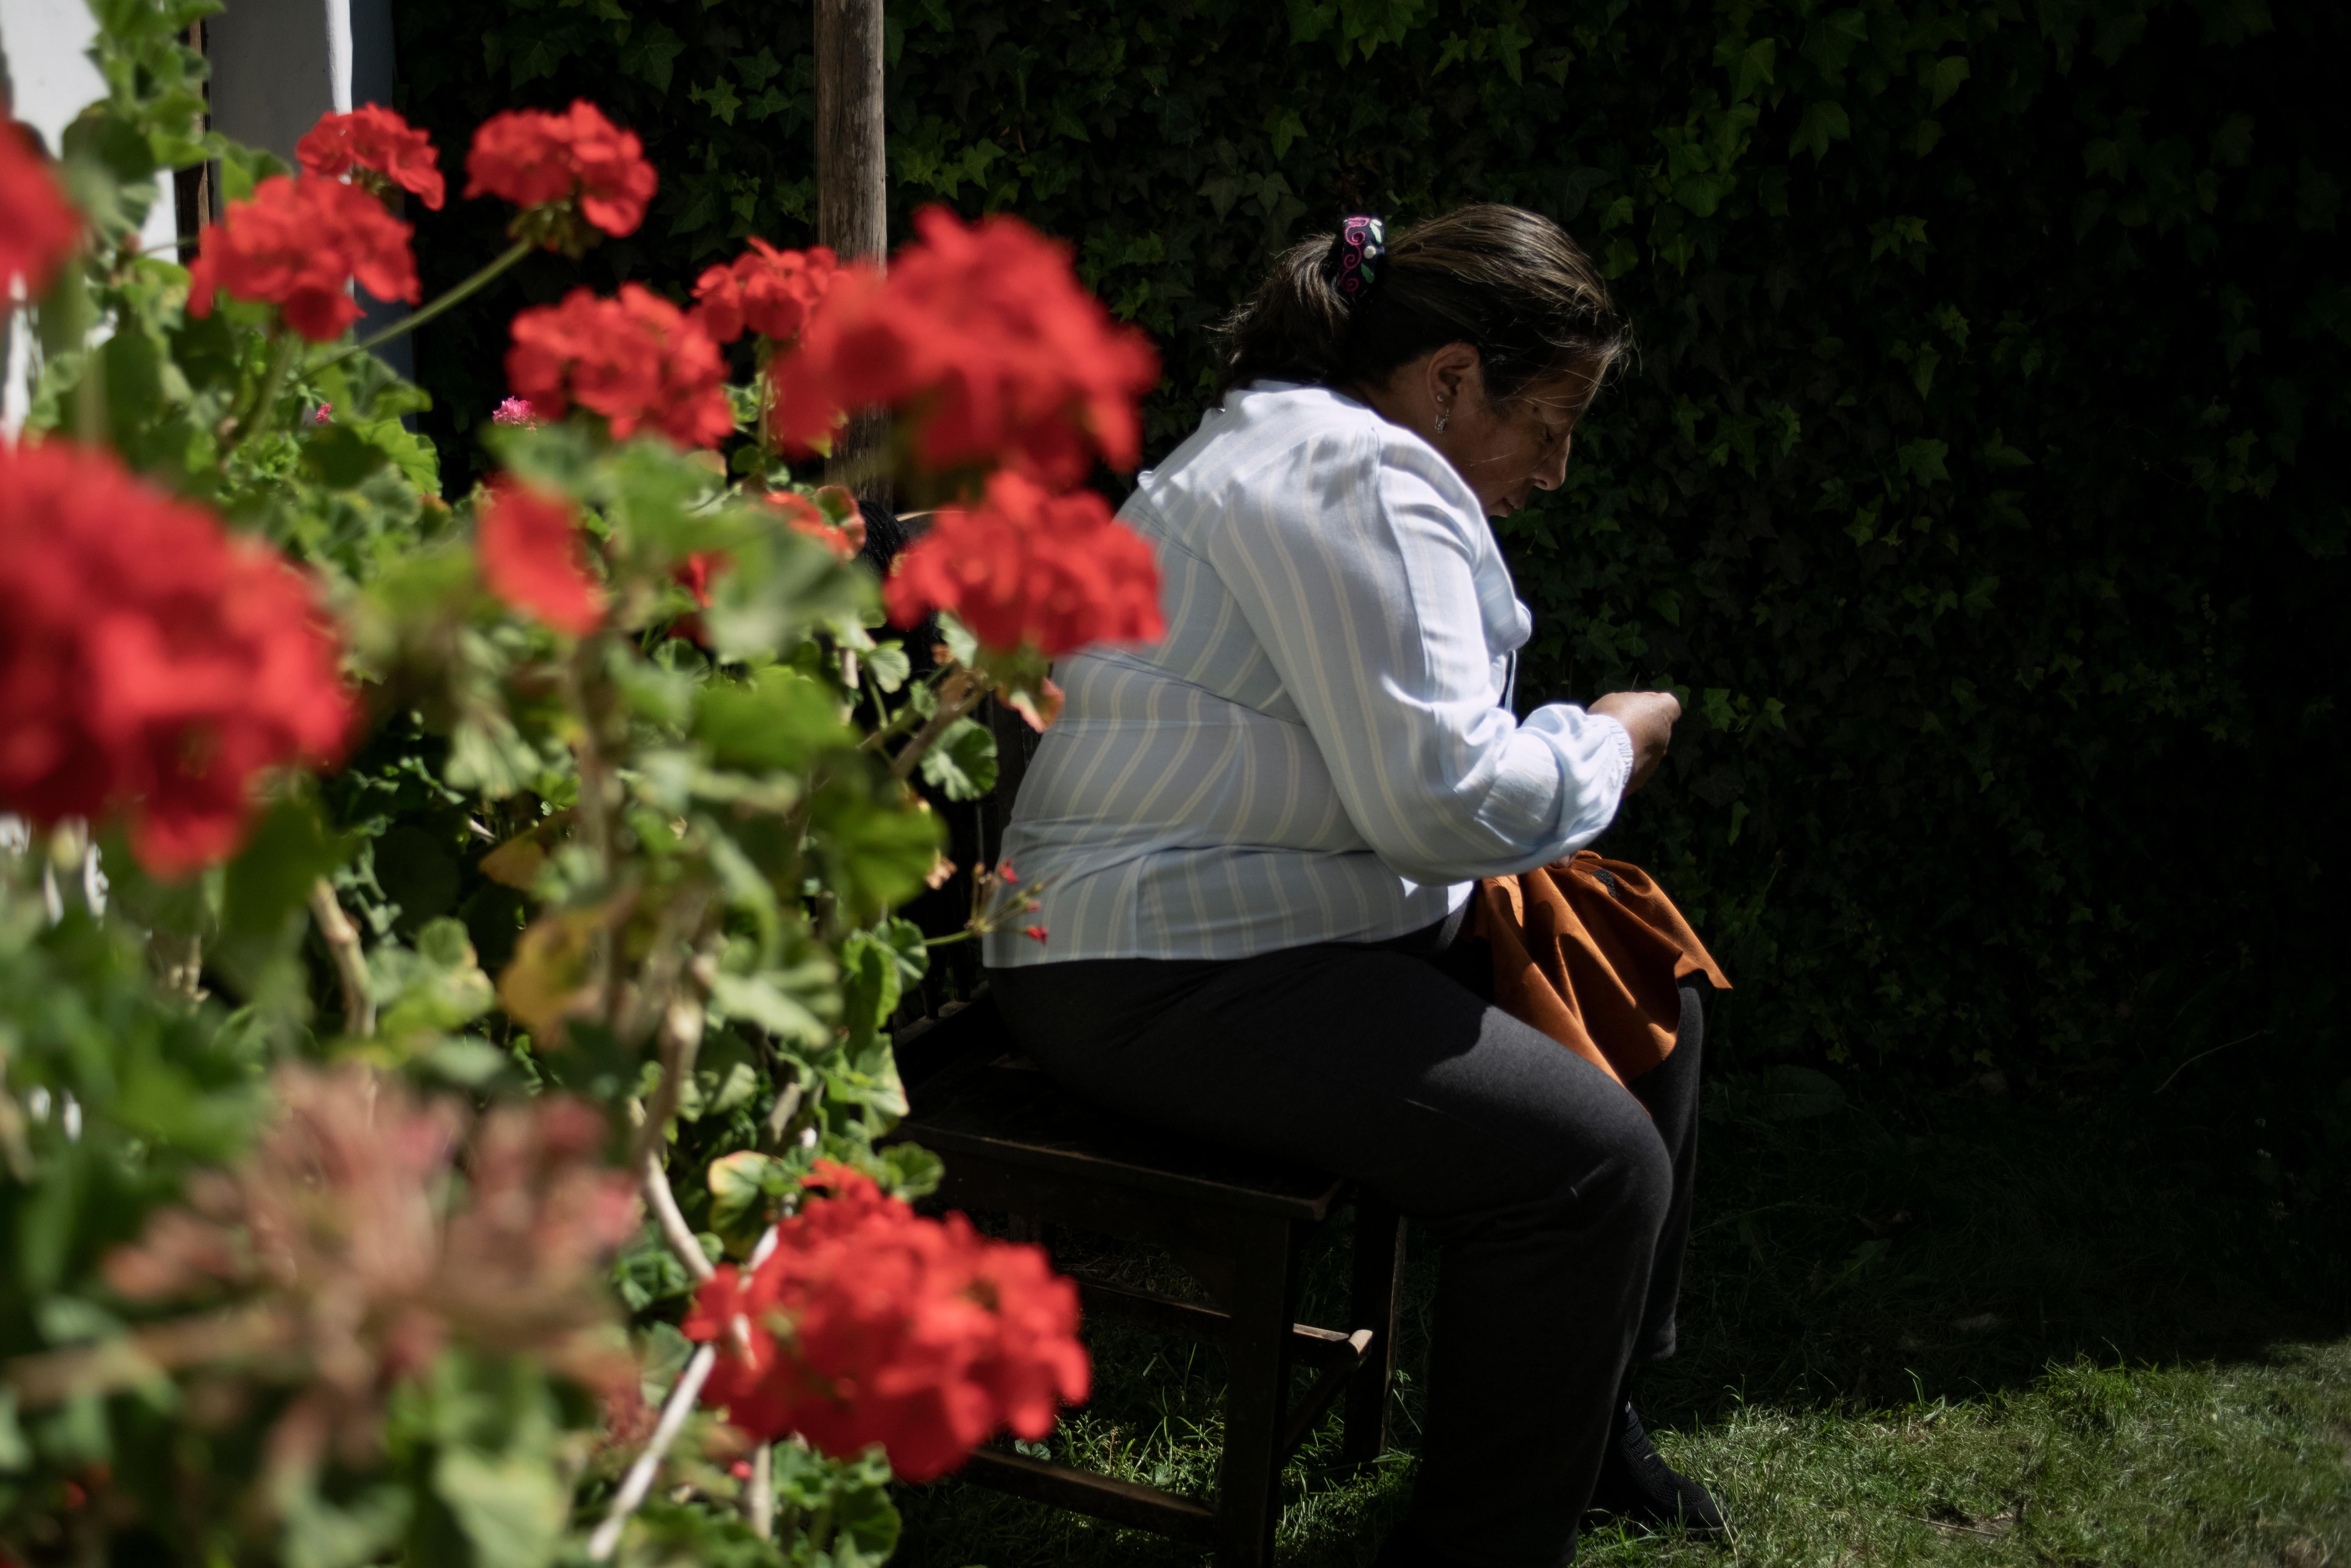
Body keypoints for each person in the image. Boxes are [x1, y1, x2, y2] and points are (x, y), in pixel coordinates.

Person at [980, 205, 1721, 1566]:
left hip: (1261, 919)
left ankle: (1590, 1413)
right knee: (1585, 1169)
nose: (1558, 468)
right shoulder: (1351, 472)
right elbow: (1442, 803)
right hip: (1147, 969)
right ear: (1449, 376)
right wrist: (1609, 737)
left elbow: (1399, 774)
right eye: (1550, 417)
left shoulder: (1310, 447)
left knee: (1639, 975)